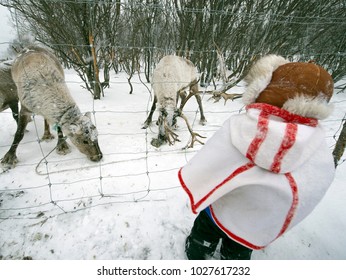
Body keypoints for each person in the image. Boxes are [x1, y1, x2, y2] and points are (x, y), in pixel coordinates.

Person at [178, 54, 336, 260]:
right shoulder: (317, 144)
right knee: (241, 239)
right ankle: (233, 258)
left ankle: (198, 250)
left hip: (222, 203)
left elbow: (210, 162)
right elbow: (317, 181)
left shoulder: (241, 127)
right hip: (256, 216)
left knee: (207, 227)